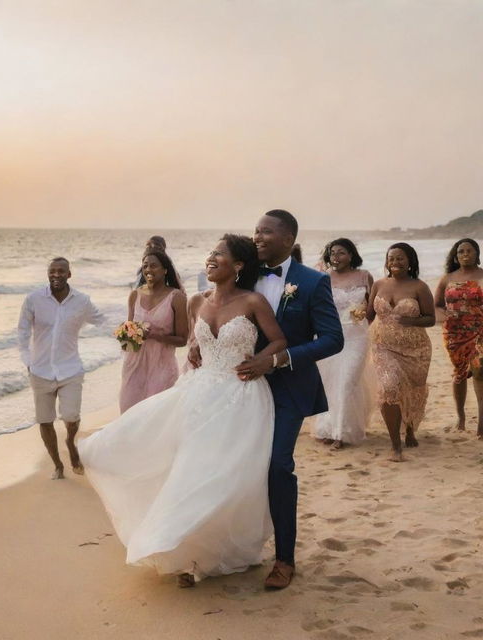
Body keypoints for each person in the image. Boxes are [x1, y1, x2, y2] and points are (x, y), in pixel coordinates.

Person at [79, 235, 286, 588]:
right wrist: (193, 350)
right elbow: (194, 341)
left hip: (241, 395)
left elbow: (279, 341)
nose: (210, 259)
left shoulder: (253, 302)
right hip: (199, 392)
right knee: (187, 467)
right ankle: (185, 552)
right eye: (210, 254)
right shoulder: (195, 301)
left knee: (223, 475)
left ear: (237, 266)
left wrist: (264, 361)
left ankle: (210, 550)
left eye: (218, 255)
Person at [230, 209, 344, 590]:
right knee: (233, 466)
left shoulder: (313, 282)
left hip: (290, 387)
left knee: (279, 466)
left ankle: (285, 559)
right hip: (240, 387)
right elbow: (217, 312)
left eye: (265, 232)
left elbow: (333, 338)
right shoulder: (242, 274)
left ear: (289, 239)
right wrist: (199, 343)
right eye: (255, 231)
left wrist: (280, 358)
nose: (257, 237)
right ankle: (233, 547)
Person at [18, 257, 104, 479]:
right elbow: (23, 332)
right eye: (52, 271)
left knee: (71, 416)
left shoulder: (82, 301)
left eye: (61, 271)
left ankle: (70, 441)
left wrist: (133, 329)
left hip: (70, 369)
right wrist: (28, 361)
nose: (56, 275)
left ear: (69, 274)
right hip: (40, 370)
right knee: (45, 420)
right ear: (48, 273)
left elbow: (102, 320)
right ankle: (58, 464)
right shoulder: (33, 299)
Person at [366, 243, 435, 462]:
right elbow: (368, 314)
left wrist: (410, 320)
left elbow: (431, 319)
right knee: (389, 388)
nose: (395, 262)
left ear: (410, 261)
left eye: (400, 258)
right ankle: (396, 445)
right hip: (382, 345)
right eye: (391, 258)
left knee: (411, 390)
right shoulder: (378, 285)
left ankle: (410, 429)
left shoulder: (420, 287)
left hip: (415, 349)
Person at [313, 238, 374, 449]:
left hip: (357, 335)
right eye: (332, 254)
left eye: (341, 253)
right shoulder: (323, 278)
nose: (336, 257)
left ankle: (341, 432)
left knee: (348, 381)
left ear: (351, 254)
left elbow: (373, 307)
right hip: (331, 336)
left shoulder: (365, 276)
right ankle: (328, 428)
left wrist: (364, 319)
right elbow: (317, 309)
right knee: (330, 382)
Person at [119, 250, 188, 413]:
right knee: (128, 413)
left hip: (162, 367)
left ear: (165, 270)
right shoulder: (134, 295)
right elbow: (128, 343)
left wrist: (154, 335)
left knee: (155, 417)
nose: (149, 269)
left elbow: (183, 340)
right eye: (145, 266)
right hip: (134, 365)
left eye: (154, 266)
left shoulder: (177, 297)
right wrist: (124, 333)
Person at [434, 238, 483, 439]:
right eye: (461, 251)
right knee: (460, 373)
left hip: (480, 330)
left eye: (469, 251)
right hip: (454, 332)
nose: (465, 254)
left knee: (480, 372)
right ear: (456, 255)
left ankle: (481, 423)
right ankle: (461, 417)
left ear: (477, 254)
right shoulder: (447, 278)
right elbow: (436, 304)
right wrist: (442, 316)